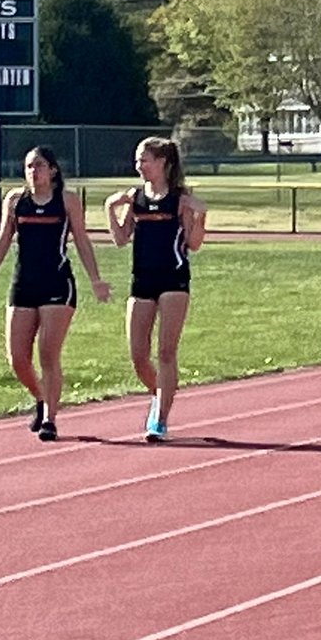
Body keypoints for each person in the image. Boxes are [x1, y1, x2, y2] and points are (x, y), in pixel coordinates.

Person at [0, 145, 112, 441]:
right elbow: (3, 239)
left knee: (48, 353)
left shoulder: (67, 201)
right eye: (29, 167)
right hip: (24, 284)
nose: (34, 172)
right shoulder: (16, 200)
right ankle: (42, 397)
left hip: (57, 284)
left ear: (53, 170)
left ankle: (50, 419)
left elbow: (82, 241)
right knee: (17, 358)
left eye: (40, 166)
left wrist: (96, 279)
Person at [104, 136, 206, 442]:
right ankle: (160, 392)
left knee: (166, 351)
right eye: (137, 160)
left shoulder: (180, 198)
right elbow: (121, 239)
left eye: (144, 160)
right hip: (142, 279)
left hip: (174, 279)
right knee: (138, 354)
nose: (139, 166)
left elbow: (194, 244)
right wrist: (110, 208)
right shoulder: (135, 198)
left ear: (162, 162)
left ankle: (160, 420)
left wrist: (200, 216)